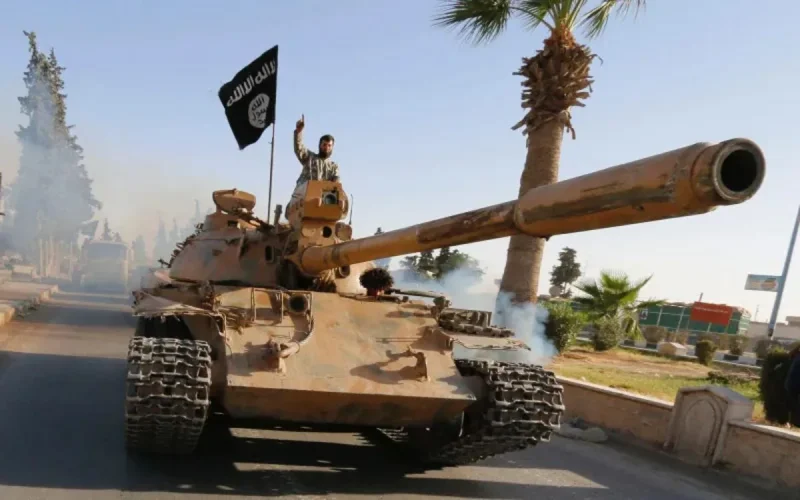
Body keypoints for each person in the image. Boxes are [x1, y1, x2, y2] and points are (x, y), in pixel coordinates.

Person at [293, 114, 339, 185]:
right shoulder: (309, 157)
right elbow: (299, 148)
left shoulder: (333, 167)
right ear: (320, 145)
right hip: (305, 191)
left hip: (322, 192)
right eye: (324, 145)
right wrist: (298, 132)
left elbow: (336, 185)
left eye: (329, 145)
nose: (326, 147)